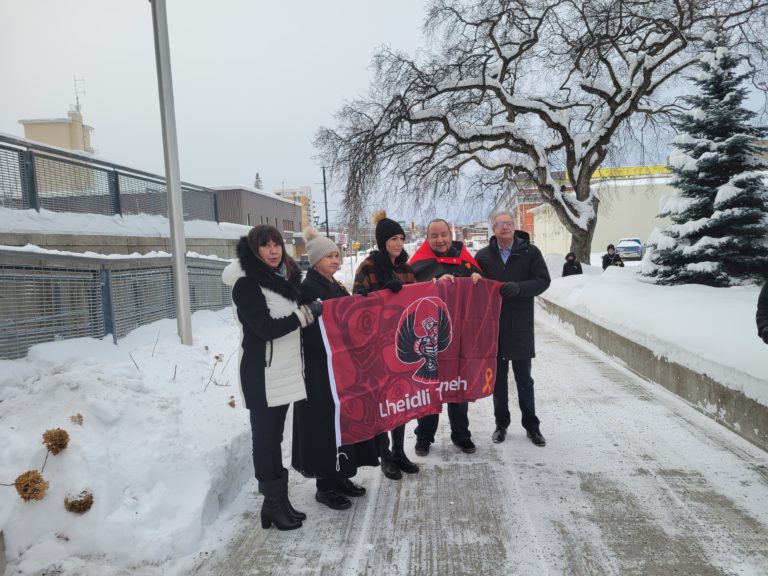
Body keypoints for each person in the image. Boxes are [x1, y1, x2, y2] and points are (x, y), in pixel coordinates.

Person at [221, 225, 321, 531]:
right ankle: (272, 505)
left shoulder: (284, 279)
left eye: (276, 244)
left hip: (283, 372)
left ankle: (279, 502)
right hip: (261, 373)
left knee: (275, 439)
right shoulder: (246, 285)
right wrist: (304, 315)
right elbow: (264, 329)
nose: (274, 250)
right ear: (254, 250)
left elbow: (308, 299)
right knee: (265, 441)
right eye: (265, 246)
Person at [292, 228, 379, 510]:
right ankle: (325, 485)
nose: (335, 260)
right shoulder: (309, 288)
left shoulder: (334, 284)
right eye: (329, 256)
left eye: (336, 255)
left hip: (341, 366)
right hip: (322, 369)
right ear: (315, 260)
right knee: (327, 425)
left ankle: (341, 475)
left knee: (343, 423)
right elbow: (312, 329)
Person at [353, 211, 421, 480]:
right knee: (384, 402)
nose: (398, 243)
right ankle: (385, 455)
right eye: (393, 238)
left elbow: (417, 301)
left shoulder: (406, 268)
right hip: (377, 348)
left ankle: (400, 452)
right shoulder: (368, 267)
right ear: (383, 241)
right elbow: (357, 303)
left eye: (401, 238)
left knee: (402, 399)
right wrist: (381, 294)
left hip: (402, 344)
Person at [475, 212, 551, 447]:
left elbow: (543, 281)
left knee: (524, 380)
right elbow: (474, 282)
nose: (505, 227)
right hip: (494, 326)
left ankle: (532, 426)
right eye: (500, 224)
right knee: (498, 381)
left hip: (520, 326)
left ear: (514, 226)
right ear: (494, 229)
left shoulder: (530, 252)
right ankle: (501, 424)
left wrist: (519, 288)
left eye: (509, 223)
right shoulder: (484, 255)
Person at [408, 218, 483, 456]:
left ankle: (461, 434)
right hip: (431, 337)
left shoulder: (466, 260)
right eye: (434, 236)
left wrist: (477, 282)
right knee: (430, 386)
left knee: (458, 386)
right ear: (427, 238)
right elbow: (409, 292)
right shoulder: (418, 263)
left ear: (450, 235)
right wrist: (432, 284)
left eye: (444, 235)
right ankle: (424, 437)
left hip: (459, 336)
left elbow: (480, 295)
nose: (440, 240)